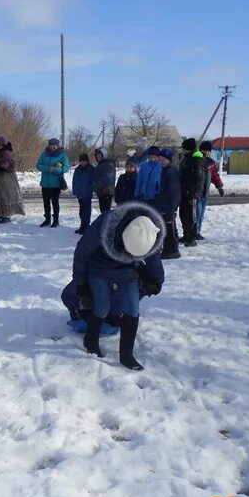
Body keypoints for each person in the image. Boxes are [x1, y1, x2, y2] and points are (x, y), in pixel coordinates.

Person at [72, 201, 165, 370]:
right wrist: (81, 284)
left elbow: (153, 260)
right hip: (99, 268)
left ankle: (126, 355)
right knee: (102, 307)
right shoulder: (105, 224)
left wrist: (156, 280)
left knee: (132, 307)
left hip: (128, 270)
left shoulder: (150, 232)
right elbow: (82, 253)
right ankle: (91, 340)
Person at [36, 137, 70, 228]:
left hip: (55, 183)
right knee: (46, 202)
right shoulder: (44, 154)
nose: (52, 147)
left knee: (55, 202)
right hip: (45, 183)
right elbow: (38, 165)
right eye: (51, 145)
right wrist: (47, 169)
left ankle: (56, 220)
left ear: (57, 145)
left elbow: (66, 167)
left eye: (54, 145)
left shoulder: (62, 155)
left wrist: (56, 169)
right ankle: (47, 220)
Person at [0, 136, 25, 223]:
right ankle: (2, 214)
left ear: (1, 144)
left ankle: (6, 215)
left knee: (5, 196)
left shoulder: (6, 153)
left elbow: (8, 166)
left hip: (5, 179)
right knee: (0, 196)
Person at [178, 138, 205, 247]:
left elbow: (198, 178)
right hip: (184, 192)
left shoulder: (196, 161)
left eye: (184, 148)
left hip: (192, 194)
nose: (182, 150)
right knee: (183, 215)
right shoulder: (186, 159)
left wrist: (191, 190)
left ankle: (192, 237)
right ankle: (186, 234)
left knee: (191, 216)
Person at [155, 149, 182, 259]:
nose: (162, 161)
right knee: (165, 228)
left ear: (169, 160)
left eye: (164, 159)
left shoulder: (171, 171)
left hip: (169, 206)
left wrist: (171, 208)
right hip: (164, 205)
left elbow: (174, 191)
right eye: (160, 159)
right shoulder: (165, 170)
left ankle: (173, 250)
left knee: (170, 228)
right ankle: (167, 249)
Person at [196, 141, 225, 240]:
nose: (208, 152)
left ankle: (198, 231)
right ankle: (194, 232)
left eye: (209, 151)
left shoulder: (210, 164)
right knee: (197, 214)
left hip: (205, 193)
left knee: (201, 214)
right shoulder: (197, 160)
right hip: (197, 193)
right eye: (207, 150)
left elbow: (215, 176)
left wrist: (220, 187)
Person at [71, 153, 94, 234]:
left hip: (87, 194)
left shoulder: (91, 169)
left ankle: (86, 227)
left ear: (87, 161)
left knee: (86, 212)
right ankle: (82, 226)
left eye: (84, 161)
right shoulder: (77, 169)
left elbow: (92, 182)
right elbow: (74, 181)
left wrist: (90, 190)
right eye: (81, 161)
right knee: (81, 211)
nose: (83, 163)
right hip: (80, 194)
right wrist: (75, 191)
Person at [92, 147, 116, 213]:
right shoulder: (100, 165)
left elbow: (108, 178)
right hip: (101, 191)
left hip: (107, 191)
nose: (98, 157)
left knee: (106, 211)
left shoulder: (108, 164)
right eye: (97, 156)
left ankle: (107, 223)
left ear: (104, 155)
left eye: (99, 155)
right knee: (103, 211)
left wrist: (96, 185)